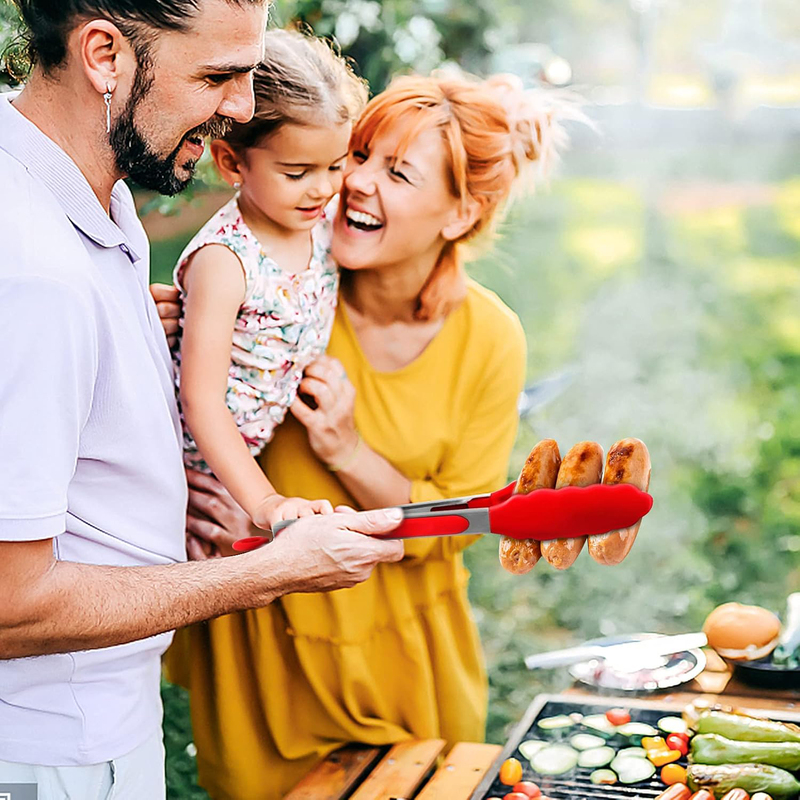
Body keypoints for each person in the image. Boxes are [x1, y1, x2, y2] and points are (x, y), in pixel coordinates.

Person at [0, 3, 404, 798]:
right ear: (104, 55)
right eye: (217, 76)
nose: (244, 109)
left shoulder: (73, 183)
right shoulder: (38, 281)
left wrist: (123, 333)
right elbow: (11, 605)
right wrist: (270, 573)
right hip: (59, 751)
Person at [156, 72, 575, 799]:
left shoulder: (489, 339)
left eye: (398, 172)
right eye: (359, 154)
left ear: (459, 214)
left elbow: (455, 525)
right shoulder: (281, 278)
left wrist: (347, 449)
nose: (354, 184)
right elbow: (195, 380)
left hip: (400, 662)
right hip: (264, 660)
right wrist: (160, 323)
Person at [172, 29, 368, 539]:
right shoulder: (226, 260)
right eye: (297, 172)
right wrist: (264, 499)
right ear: (232, 162)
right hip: (185, 464)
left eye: (335, 166)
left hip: (242, 458)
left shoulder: (320, 228)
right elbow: (201, 399)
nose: (323, 188)